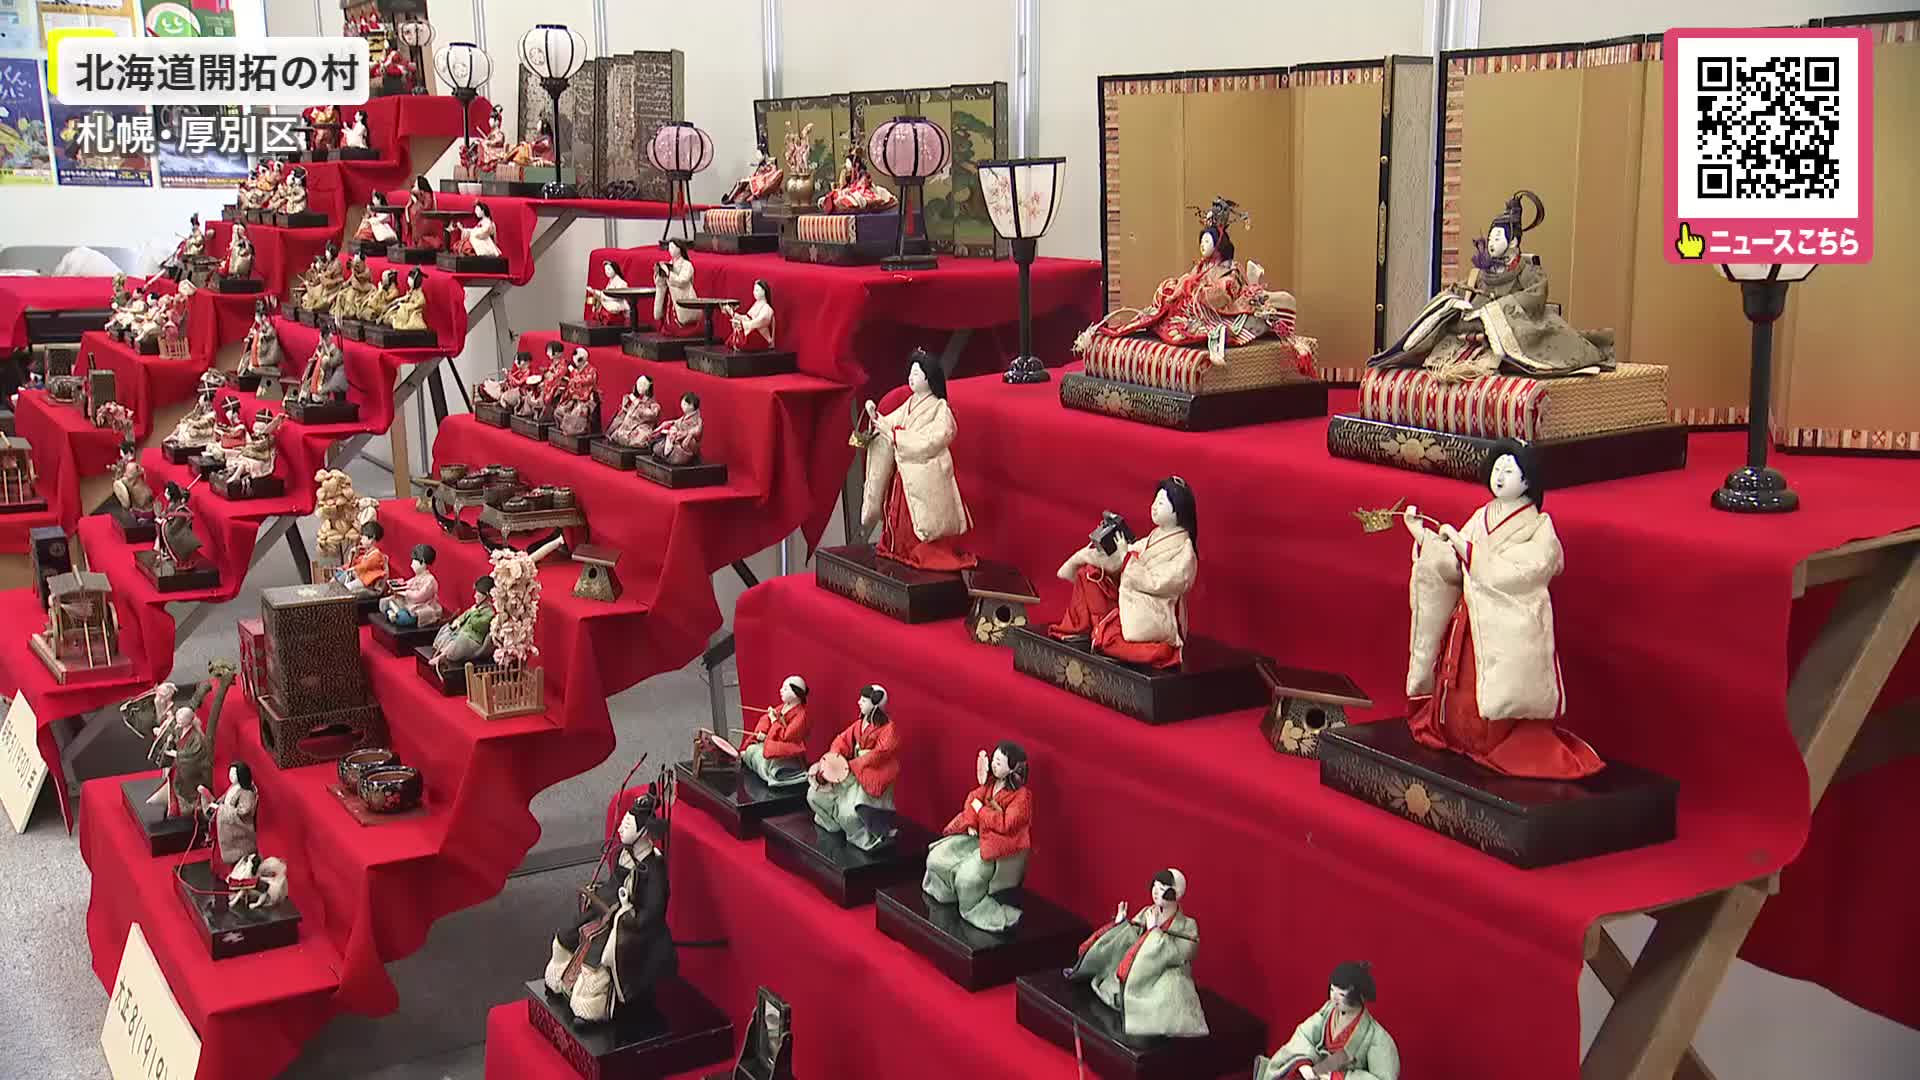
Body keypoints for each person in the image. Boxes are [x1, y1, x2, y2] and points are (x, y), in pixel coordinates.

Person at [1400, 441, 1602, 780]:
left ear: (1528, 480)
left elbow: (1529, 569)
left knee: (1494, 695)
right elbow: (1455, 567)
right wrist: (1427, 539)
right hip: (1469, 622)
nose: (1499, 476)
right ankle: (1457, 734)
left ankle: (1493, 741)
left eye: (1509, 470)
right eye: (1497, 469)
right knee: (1461, 682)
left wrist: (1468, 550)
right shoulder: (1482, 516)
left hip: (1506, 627)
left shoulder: (1538, 526)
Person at [1370, 190, 1612, 381]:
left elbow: (1535, 295)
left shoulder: (1527, 271)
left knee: (1545, 342)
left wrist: (1497, 311)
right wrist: (1455, 301)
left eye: (1498, 238)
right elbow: (1464, 289)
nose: (1492, 243)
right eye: (1490, 238)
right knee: (1449, 325)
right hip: (1475, 324)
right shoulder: (1481, 272)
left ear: (1513, 242)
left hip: (1508, 327)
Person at [1090, 196, 1294, 347]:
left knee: (1190, 318)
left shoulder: (1230, 268)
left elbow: (1225, 293)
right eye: (1201, 241)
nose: (1202, 246)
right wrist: (1179, 286)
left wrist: (1196, 292)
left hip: (1215, 311)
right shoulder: (1201, 266)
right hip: (1193, 306)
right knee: (1168, 290)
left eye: (1207, 241)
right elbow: (1187, 280)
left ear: (1218, 244)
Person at [544, 797, 676, 1023]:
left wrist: (628, 915)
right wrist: (596, 893)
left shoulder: (654, 867)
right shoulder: (624, 855)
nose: (620, 829)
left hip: (633, 925)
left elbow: (653, 910)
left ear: (643, 831)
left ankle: (590, 1008)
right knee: (568, 935)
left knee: (597, 955)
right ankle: (561, 981)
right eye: (622, 823)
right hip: (609, 910)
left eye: (627, 825)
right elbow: (613, 885)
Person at [859, 351, 976, 572]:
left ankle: (917, 551)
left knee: (920, 521)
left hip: (925, 475)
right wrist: (877, 419)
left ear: (929, 377)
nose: (911, 378)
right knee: (898, 516)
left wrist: (896, 436)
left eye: (916, 373)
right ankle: (898, 549)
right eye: (910, 373)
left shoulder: (939, 408)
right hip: (904, 474)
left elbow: (936, 438)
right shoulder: (909, 404)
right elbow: (890, 423)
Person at [1066, 868, 1207, 1038]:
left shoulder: (1187, 926)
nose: (1155, 892)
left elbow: (1179, 955)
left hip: (1160, 976)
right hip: (1136, 968)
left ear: (1176, 894)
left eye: (1162, 889)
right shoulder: (1148, 912)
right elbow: (1131, 937)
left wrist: (1155, 932)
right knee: (1114, 981)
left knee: (1168, 993)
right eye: (1155, 886)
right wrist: (1121, 924)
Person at [922, 741, 1032, 933]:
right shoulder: (991, 783)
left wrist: (981, 812)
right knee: (938, 857)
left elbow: (1006, 824)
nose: (993, 765)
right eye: (994, 760)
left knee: (967, 878)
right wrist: (972, 821)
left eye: (999, 763)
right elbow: (973, 799)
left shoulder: (1022, 797)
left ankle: (975, 908)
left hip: (1000, 849)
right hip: (978, 837)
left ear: (1012, 768)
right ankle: (946, 893)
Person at [1091, 478, 1198, 668]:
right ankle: (1076, 630)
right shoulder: (1156, 535)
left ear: (1178, 511)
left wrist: (1126, 557)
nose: (1154, 507)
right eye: (1155, 501)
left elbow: (1157, 583)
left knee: (1108, 638)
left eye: (1161, 503)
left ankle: (1162, 651)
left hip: (1158, 612)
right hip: (1139, 602)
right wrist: (1118, 547)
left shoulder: (1185, 551)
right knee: (1091, 575)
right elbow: (1135, 550)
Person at [1254, 962, 1400, 1080]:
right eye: (1332, 990)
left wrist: (1338, 1077)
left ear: (1360, 997)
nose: (1334, 998)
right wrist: (1303, 1063)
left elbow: (1384, 1077)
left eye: (1341, 994)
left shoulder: (1376, 1037)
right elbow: (1304, 1034)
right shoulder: (1328, 1011)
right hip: (1316, 1071)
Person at [805, 685, 899, 851]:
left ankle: (864, 838)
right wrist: (835, 757)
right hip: (852, 770)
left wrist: (853, 764)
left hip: (871, 774)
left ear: (875, 705)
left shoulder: (889, 729)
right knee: (814, 795)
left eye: (863, 700)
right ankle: (834, 824)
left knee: (849, 813)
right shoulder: (859, 724)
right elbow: (842, 740)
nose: (859, 702)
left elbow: (881, 753)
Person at [1049, 511, 1136, 639]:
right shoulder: (1091, 560)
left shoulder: (1128, 556)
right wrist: (1081, 556)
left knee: (1088, 573)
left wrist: (1122, 554)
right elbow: (1063, 573)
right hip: (1093, 618)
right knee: (1085, 573)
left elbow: (1115, 567)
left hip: (1117, 615)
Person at [738, 676, 810, 787]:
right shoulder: (785, 706)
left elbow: (787, 736)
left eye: (785, 689)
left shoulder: (801, 715)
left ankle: (776, 772)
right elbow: (767, 718)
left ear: (796, 694)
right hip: (775, 741)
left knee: (760, 757)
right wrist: (764, 731)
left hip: (789, 748)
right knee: (752, 749)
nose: (781, 691)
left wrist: (774, 721)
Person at [198, 762, 258, 872]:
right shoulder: (233, 787)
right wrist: (215, 804)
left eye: (234, 774)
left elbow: (243, 811)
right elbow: (222, 799)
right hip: (224, 820)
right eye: (230, 773)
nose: (231, 776)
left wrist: (221, 810)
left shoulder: (246, 793)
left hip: (236, 825)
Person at [428, 575, 495, 668]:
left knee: (460, 640)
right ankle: (440, 651)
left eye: (478, 595)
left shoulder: (490, 612)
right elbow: (465, 615)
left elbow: (478, 624)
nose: (475, 596)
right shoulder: (476, 607)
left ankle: (443, 656)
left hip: (473, 639)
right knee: (447, 631)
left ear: (486, 596)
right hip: (463, 631)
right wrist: (458, 621)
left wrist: (474, 612)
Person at [816, 144, 897, 213]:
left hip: (859, 189)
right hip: (851, 188)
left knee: (856, 197)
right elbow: (843, 184)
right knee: (837, 195)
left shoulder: (862, 174)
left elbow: (862, 185)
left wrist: (850, 188)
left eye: (848, 165)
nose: (847, 167)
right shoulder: (846, 172)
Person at [378, 544, 444, 627]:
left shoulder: (430, 581)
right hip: (410, 603)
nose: (411, 564)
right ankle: (393, 613)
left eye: (414, 561)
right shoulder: (416, 577)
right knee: (385, 602)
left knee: (403, 617)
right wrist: (397, 588)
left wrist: (405, 593)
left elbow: (419, 597)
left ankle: (395, 613)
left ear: (422, 562)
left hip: (422, 606)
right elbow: (406, 584)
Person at [650, 239, 702, 337]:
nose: (670, 250)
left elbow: (682, 281)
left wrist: (668, 273)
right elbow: (661, 283)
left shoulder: (686, 265)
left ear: (679, 249)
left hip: (682, 294)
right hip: (670, 294)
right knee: (668, 313)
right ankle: (668, 328)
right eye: (669, 247)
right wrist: (659, 274)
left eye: (673, 247)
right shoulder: (669, 264)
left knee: (682, 316)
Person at [641, 392, 705, 465]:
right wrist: (669, 423)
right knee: (657, 447)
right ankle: (665, 452)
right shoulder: (686, 416)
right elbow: (677, 422)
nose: (682, 406)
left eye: (685, 404)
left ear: (691, 406)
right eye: (682, 404)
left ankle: (668, 454)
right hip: (676, 439)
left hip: (686, 445)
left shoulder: (697, 420)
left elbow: (695, 432)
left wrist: (680, 434)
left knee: (672, 453)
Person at [333, 520, 390, 596]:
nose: (361, 541)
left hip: (367, 581)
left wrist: (354, 568)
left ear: (372, 538)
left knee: (347, 588)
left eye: (363, 538)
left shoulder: (377, 554)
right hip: (362, 578)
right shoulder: (368, 553)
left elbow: (366, 565)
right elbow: (356, 563)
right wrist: (354, 555)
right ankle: (334, 586)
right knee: (340, 577)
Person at [605, 375, 661, 447]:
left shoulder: (654, 406)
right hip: (625, 430)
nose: (640, 386)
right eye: (639, 383)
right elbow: (622, 417)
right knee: (618, 431)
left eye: (643, 384)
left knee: (641, 438)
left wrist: (636, 402)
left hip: (639, 432)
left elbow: (650, 415)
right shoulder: (632, 399)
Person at [723, 280, 777, 352]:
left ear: (764, 292)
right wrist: (732, 313)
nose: (754, 292)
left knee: (742, 339)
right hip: (752, 333)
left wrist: (741, 324)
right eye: (754, 290)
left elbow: (758, 322)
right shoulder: (756, 304)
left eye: (757, 290)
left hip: (760, 338)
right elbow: (747, 317)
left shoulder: (767, 309)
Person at [584, 260, 632, 325]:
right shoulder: (610, 282)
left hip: (617, 303)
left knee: (610, 305)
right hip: (609, 301)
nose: (607, 272)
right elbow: (605, 294)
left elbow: (616, 297)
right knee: (596, 299)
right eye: (605, 270)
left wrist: (599, 294)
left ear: (615, 269)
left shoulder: (622, 283)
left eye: (609, 269)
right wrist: (595, 292)